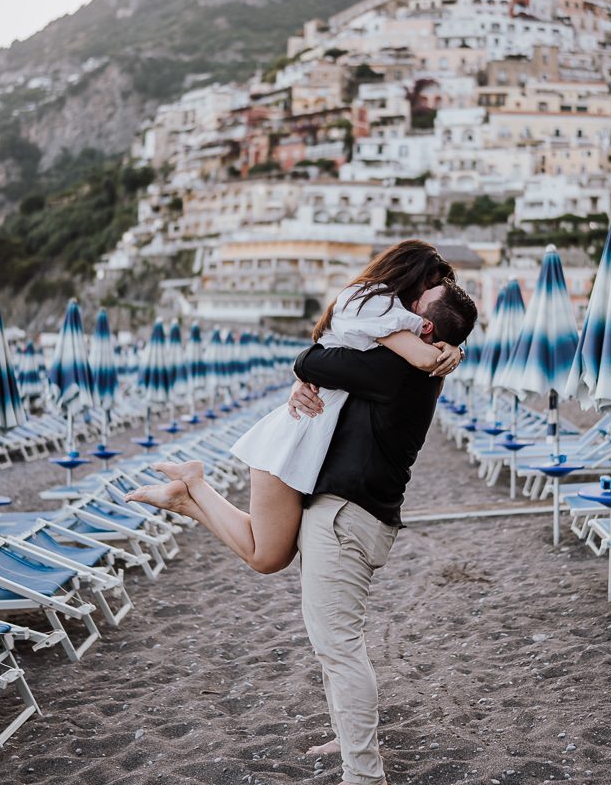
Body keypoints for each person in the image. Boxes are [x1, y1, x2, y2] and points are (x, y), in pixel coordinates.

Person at [124, 241, 465, 573]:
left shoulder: (380, 314)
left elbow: (331, 359)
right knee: (266, 557)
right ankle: (193, 485)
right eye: (431, 285)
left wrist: (451, 347)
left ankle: (187, 493)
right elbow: (420, 357)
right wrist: (452, 350)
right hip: (295, 438)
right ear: (406, 275)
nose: (427, 301)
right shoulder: (374, 306)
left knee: (273, 554)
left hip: (311, 440)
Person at [280, 275, 478, 785]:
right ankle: (349, 735)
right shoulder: (409, 368)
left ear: (427, 325)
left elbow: (314, 358)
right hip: (356, 513)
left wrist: (314, 369)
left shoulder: (396, 371)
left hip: (347, 515)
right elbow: (320, 363)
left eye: (413, 306)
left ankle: (364, 775)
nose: (401, 309)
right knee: (333, 642)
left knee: (339, 645)